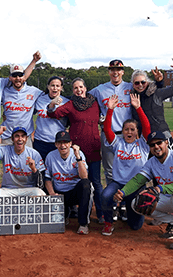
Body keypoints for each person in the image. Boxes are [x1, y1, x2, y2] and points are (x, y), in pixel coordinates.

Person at [114, 131, 173, 250]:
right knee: (137, 203)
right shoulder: (152, 162)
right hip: (172, 199)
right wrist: (123, 191)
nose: (156, 147)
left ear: (166, 142)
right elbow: (138, 180)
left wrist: (159, 188)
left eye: (159, 143)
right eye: (152, 145)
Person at [47, 78, 103, 223]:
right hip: (77, 149)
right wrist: (52, 104)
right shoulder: (71, 104)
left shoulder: (95, 103)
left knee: (95, 182)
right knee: (78, 180)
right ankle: (77, 212)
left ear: (85, 88)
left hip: (93, 147)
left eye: (80, 87)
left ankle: (101, 214)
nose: (78, 90)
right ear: (72, 91)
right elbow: (54, 113)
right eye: (75, 88)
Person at [100, 93, 151, 236]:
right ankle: (108, 223)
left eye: (132, 129)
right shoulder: (118, 143)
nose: (129, 132)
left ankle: (127, 210)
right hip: (118, 184)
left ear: (137, 132)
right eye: (126, 129)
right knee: (105, 195)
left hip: (136, 186)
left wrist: (138, 108)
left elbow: (147, 127)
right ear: (122, 131)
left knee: (135, 226)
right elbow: (107, 130)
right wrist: (110, 110)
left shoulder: (142, 144)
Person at [89, 59, 133, 186]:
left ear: (123, 72)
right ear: (109, 72)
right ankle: (113, 200)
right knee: (109, 170)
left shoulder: (130, 87)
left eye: (118, 70)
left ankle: (127, 199)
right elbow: (84, 99)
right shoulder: (100, 89)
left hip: (127, 135)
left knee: (128, 167)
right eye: (112, 70)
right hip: (108, 134)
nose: (115, 72)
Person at [44, 131, 93, 235]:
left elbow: (84, 177)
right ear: (56, 144)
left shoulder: (78, 155)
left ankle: (83, 223)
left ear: (70, 143)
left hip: (75, 192)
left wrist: (78, 157)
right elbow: (47, 179)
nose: (63, 145)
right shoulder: (50, 156)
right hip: (60, 194)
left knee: (86, 185)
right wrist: (52, 194)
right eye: (60, 143)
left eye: (66, 142)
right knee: (58, 222)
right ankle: (65, 213)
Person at [131, 56, 173, 150]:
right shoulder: (132, 98)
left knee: (170, 161)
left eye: (143, 82)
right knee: (149, 164)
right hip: (145, 138)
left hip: (162, 134)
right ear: (133, 84)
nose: (140, 85)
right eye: (137, 83)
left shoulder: (156, 93)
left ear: (147, 82)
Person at [0, 51, 43, 146]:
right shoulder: (5, 91)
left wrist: (34, 61)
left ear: (24, 76)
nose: (18, 78)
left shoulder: (34, 91)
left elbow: (48, 96)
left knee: (27, 160)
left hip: (25, 137)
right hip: (7, 136)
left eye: (20, 75)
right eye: (14, 76)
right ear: (10, 78)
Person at [0, 127, 46, 197]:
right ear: (12, 139)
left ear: (26, 139)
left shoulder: (34, 154)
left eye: (23, 136)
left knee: (40, 194)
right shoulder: (5, 150)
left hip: (28, 189)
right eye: (17, 136)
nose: (20, 139)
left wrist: (34, 169)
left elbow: (41, 183)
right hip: (8, 189)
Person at [33, 76, 69, 160]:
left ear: (61, 88)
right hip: (40, 140)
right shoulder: (39, 99)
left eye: (57, 86)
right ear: (48, 86)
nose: (55, 88)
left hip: (58, 141)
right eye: (52, 85)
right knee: (40, 169)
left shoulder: (66, 102)